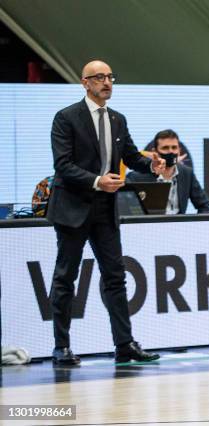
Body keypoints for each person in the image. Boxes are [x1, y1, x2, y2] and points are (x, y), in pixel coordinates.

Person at [46, 60, 163, 365]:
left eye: (110, 77)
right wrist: (97, 180)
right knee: (65, 278)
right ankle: (61, 347)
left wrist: (151, 164)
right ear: (85, 83)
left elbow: (131, 156)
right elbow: (64, 165)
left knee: (115, 277)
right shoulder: (66, 118)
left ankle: (124, 344)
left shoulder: (118, 120)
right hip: (72, 206)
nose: (106, 82)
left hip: (104, 209)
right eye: (99, 78)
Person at [126, 129, 209, 214]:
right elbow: (126, 207)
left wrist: (198, 223)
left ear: (179, 150)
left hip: (179, 226)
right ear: (154, 152)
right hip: (149, 225)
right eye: (165, 148)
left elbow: (205, 204)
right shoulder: (135, 177)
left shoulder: (186, 173)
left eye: (174, 147)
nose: (171, 151)